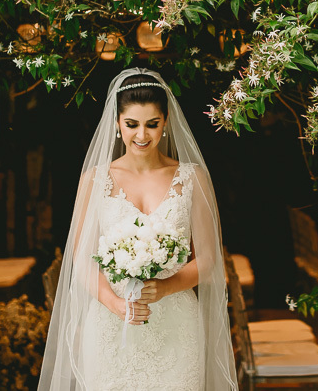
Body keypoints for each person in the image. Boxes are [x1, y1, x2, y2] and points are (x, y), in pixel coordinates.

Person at [38, 68, 238, 390]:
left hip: (176, 326)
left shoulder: (193, 178)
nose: (141, 135)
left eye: (152, 124)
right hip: (111, 324)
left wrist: (165, 287)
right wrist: (114, 303)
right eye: (131, 124)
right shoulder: (95, 180)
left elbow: (209, 260)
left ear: (166, 121)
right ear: (117, 123)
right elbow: (82, 263)